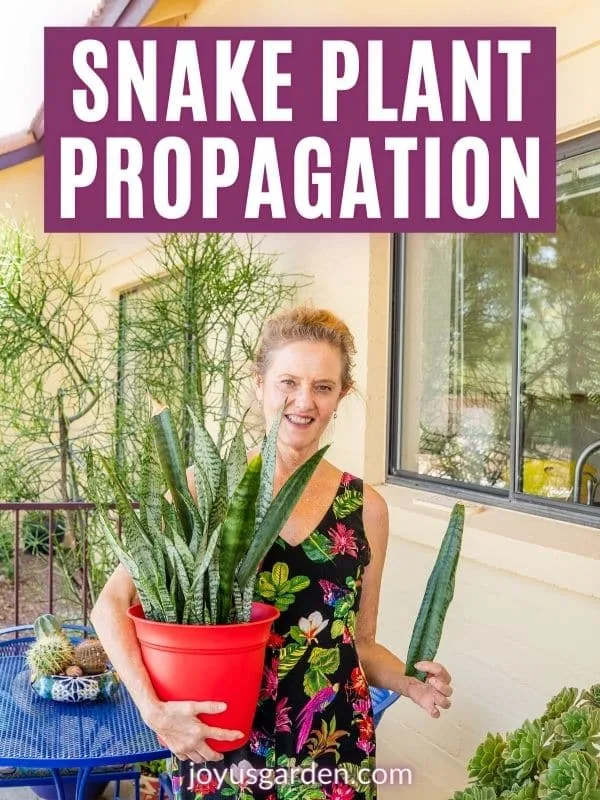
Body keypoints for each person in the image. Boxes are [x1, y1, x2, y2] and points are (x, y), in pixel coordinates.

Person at [90, 306, 453, 800]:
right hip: (223, 756)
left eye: (323, 387)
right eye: (288, 382)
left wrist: (411, 682)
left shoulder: (366, 508)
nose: (303, 402)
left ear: (341, 396)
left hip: (334, 753)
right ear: (258, 383)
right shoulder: (206, 492)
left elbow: (361, 643)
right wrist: (155, 712)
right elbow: (109, 607)